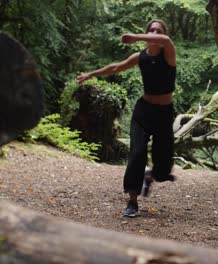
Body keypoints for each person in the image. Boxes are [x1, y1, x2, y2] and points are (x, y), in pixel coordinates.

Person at [77, 19, 176, 217]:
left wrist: (135, 37)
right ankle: (132, 201)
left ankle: (152, 176)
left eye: (158, 30)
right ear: (147, 32)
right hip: (143, 111)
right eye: (151, 30)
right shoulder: (140, 57)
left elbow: (165, 40)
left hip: (164, 114)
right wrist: (90, 74)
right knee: (137, 153)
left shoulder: (169, 53)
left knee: (163, 167)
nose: (155, 33)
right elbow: (115, 67)